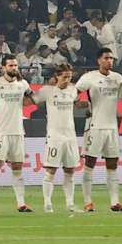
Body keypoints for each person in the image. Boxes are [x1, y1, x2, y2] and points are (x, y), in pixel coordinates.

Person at [75, 48, 122, 211]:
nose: (110, 61)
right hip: (95, 126)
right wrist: (79, 103)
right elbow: (73, 92)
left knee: (112, 164)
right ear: (99, 60)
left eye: (111, 58)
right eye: (106, 58)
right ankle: (88, 202)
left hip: (112, 127)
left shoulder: (117, 78)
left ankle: (114, 202)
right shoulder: (89, 77)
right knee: (90, 163)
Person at [0, 54, 34, 212]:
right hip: (1, 131)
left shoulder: (23, 84)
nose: (14, 68)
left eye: (15, 66)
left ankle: (21, 203)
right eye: (11, 66)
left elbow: (31, 98)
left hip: (18, 131)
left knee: (17, 166)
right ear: (3, 68)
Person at [34, 62, 83, 213]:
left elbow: (79, 103)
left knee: (70, 170)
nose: (67, 80)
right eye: (64, 77)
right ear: (56, 76)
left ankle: (70, 204)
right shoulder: (47, 91)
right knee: (51, 169)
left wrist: (92, 104)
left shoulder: (73, 91)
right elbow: (32, 101)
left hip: (70, 137)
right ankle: (47, 203)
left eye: (69, 77)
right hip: (54, 136)